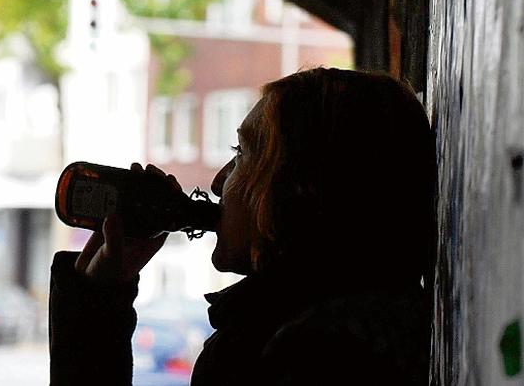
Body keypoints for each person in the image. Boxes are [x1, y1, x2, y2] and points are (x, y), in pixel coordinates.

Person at [49, 68, 435, 385]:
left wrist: (95, 315)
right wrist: (100, 303)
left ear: (299, 188)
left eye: (242, 154)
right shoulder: (357, 324)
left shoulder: (303, 354)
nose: (219, 182)